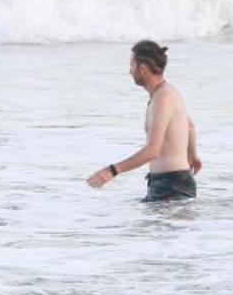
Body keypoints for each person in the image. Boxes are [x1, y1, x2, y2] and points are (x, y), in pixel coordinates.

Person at [86, 38, 201, 201]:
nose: (130, 71)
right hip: (171, 184)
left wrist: (111, 171)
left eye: (131, 65)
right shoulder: (166, 93)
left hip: (172, 187)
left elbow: (152, 150)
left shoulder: (163, 98)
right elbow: (189, 126)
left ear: (143, 68)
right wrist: (193, 155)